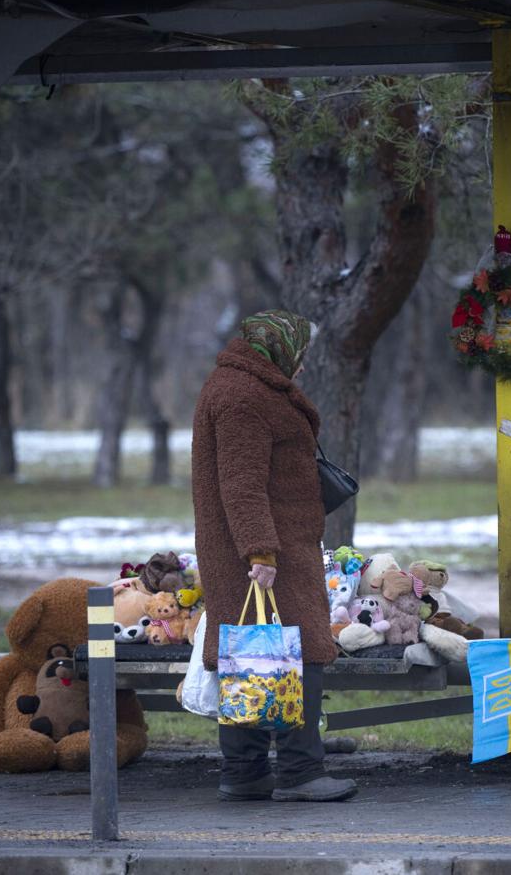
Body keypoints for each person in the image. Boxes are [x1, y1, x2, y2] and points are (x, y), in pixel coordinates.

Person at [191, 309, 357, 802]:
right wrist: (260, 550)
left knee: (250, 653)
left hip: (259, 549)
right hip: (264, 555)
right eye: (300, 355)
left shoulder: (240, 386)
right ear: (278, 348)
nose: (303, 367)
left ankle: (243, 772)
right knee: (298, 653)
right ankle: (301, 771)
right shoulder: (243, 396)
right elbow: (240, 483)